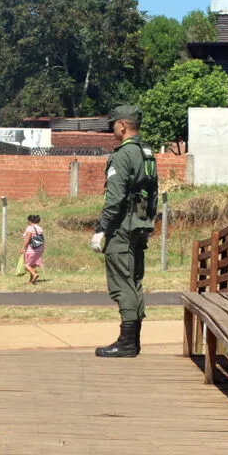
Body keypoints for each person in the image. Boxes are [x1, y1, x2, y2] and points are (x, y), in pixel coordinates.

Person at [90, 105, 158, 358]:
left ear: (122, 125)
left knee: (121, 284)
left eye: (113, 125)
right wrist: (147, 222)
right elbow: (153, 195)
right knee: (134, 281)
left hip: (122, 227)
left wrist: (101, 229)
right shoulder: (148, 153)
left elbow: (115, 197)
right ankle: (133, 340)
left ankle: (127, 342)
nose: (112, 129)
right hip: (140, 225)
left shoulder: (123, 155)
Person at [21, 214, 45, 284]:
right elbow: (43, 239)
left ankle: (34, 275)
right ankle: (31, 281)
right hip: (39, 248)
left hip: (31, 249)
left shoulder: (29, 228)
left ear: (29, 221)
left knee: (26, 265)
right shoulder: (40, 228)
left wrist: (23, 247)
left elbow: (27, 238)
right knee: (33, 265)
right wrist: (43, 248)